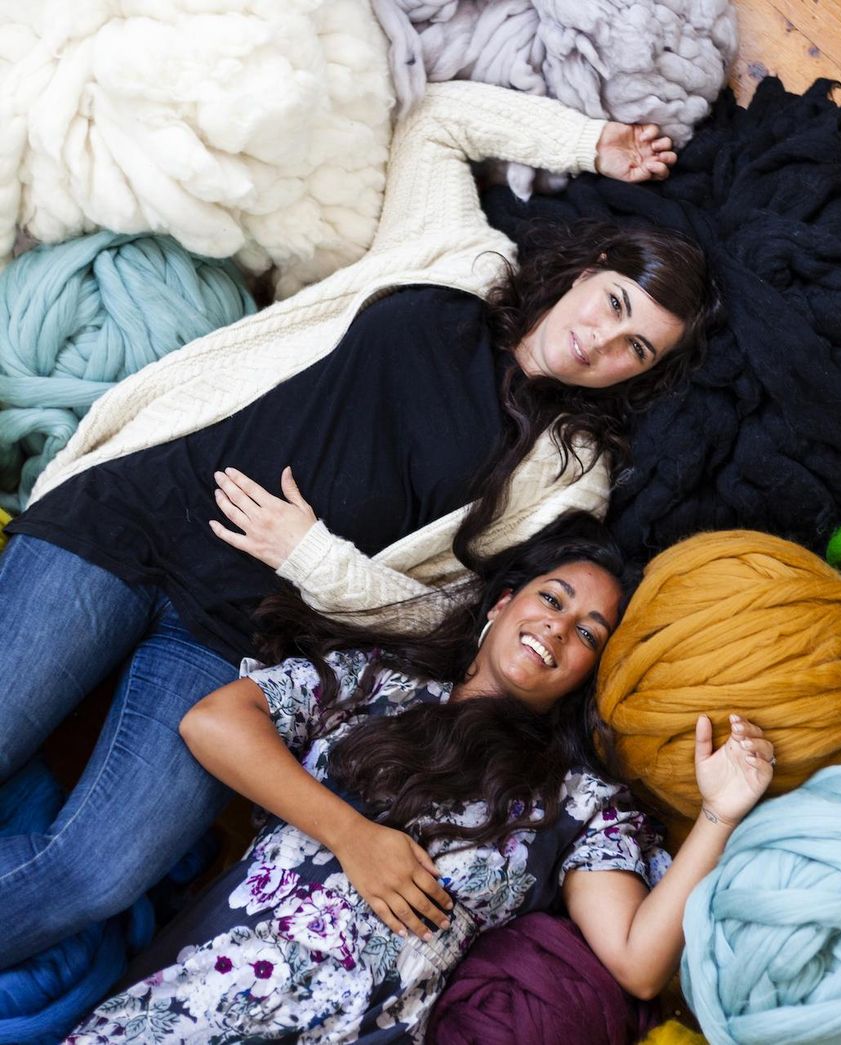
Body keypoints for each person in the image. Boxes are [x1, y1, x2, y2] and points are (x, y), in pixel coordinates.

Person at [0, 81, 718, 967]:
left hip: (237, 633)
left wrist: (314, 558)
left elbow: (453, 619)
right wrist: (595, 141)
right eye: (614, 304)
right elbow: (440, 121)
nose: (604, 343)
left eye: (635, 349)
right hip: (140, 509)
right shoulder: (458, 255)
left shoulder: (568, 476)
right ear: (586, 272)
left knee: (103, 871)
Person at [67, 517, 773, 1043]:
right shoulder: (375, 684)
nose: (559, 630)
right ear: (501, 604)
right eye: (552, 599)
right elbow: (213, 723)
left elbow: (638, 961)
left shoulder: (579, 802)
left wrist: (719, 813)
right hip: (186, 1007)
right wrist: (351, 834)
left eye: (590, 633)